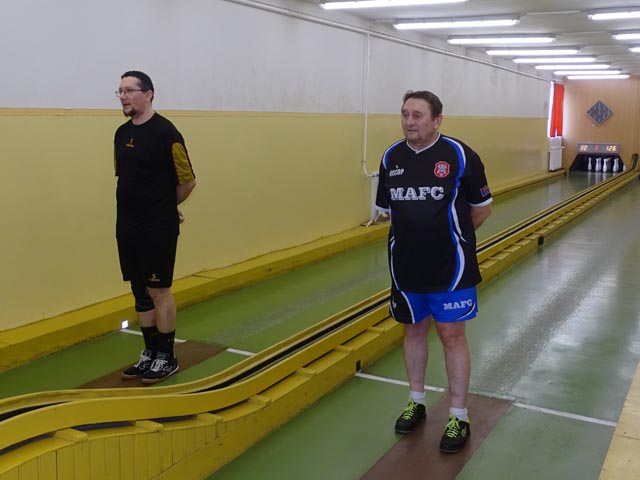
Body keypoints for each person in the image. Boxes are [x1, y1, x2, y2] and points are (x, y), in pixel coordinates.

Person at [375, 90, 492, 453]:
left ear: (437, 120)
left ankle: (458, 415)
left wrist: (450, 240)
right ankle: (416, 401)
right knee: (413, 332)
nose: (409, 122)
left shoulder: (459, 155)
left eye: (418, 115)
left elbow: (481, 208)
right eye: (405, 114)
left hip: (451, 268)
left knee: (451, 335)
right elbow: (390, 211)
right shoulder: (391, 157)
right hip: (405, 267)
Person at [114, 71, 196, 384]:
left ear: (148, 94)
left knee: (158, 290)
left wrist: (165, 207)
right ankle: (149, 353)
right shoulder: (121, 134)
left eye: (129, 90)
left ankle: (166, 356)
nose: (123, 97)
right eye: (120, 91)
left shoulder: (167, 133)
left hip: (157, 227)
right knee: (139, 290)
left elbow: (187, 181)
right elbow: (129, 179)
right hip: (128, 226)